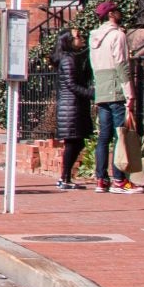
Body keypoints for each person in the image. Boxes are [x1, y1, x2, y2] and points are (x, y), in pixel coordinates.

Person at [89, 0, 133, 191]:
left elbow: (93, 65)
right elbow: (122, 65)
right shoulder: (117, 35)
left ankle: (101, 179)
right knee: (119, 135)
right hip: (116, 88)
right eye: (116, 10)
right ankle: (119, 180)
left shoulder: (93, 37)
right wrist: (129, 93)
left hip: (101, 89)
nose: (119, 12)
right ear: (110, 15)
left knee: (103, 136)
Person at [52, 29, 93, 189]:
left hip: (73, 105)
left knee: (77, 142)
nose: (81, 38)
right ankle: (64, 178)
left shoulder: (71, 58)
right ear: (69, 41)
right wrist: (92, 94)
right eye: (78, 37)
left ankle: (66, 177)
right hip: (71, 106)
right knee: (72, 142)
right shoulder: (68, 60)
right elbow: (71, 85)